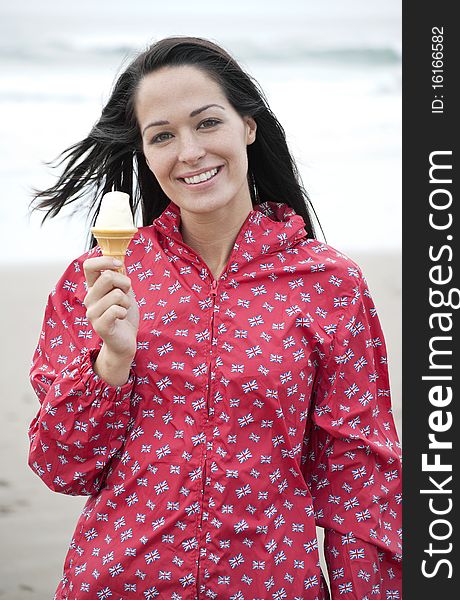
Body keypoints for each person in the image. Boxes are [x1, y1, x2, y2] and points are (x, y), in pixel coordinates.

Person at [28, 36, 402, 600]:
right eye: (162, 136)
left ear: (248, 125)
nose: (190, 152)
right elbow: (62, 468)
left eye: (206, 123)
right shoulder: (100, 281)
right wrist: (111, 360)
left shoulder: (330, 286)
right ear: (145, 154)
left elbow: (360, 482)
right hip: (119, 581)